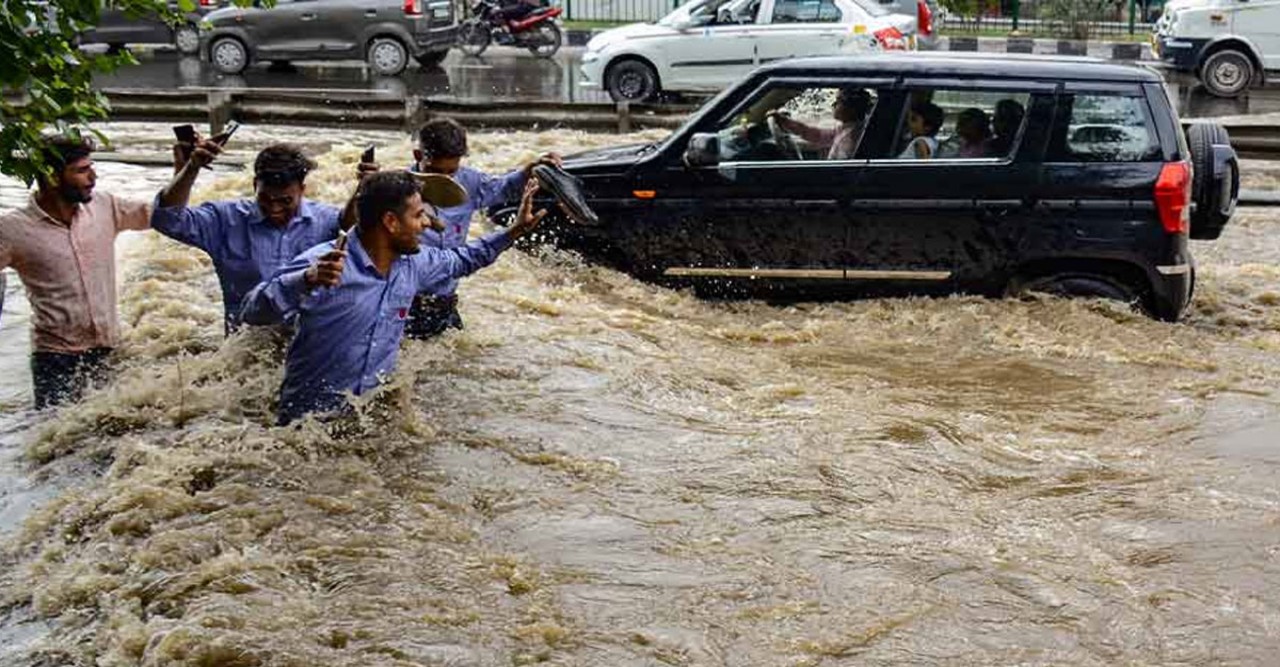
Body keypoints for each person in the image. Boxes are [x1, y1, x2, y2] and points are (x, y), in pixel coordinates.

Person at [240, 171, 548, 425]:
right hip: (305, 427)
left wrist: (514, 231)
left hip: (367, 421)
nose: (427, 224)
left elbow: (464, 259)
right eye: (418, 216)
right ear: (390, 222)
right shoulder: (325, 262)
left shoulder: (415, 264)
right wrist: (304, 281)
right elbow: (252, 311)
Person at [151, 139, 373, 332]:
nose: (275, 208)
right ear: (255, 185)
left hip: (307, 345)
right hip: (244, 347)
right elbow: (167, 220)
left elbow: (355, 232)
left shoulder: (325, 220)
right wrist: (191, 167)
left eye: (285, 201)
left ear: (302, 190)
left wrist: (365, 189)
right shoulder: (225, 221)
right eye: (266, 199)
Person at [0, 135, 151, 408]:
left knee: (112, 432)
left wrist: (189, 168)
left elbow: (164, 214)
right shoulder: (12, 229)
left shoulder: (105, 206)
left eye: (91, 167)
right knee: (59, 443)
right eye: (82, 170)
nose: (93, 177)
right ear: (51, 176)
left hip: (109, 349)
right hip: (55, 360)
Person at [405, 118, 558, 339]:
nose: (446, 181)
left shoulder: (469, 181)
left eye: (452, 173)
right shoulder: (397, 189)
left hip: (444, 301)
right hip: (405, 303)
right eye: (436, 172)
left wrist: (530, 171)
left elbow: (503, 188)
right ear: (419, 157)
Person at [771, 88, 874, 160]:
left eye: (839, 101)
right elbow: (816, 134)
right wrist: (785, 121)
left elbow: (842, 170)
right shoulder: (848, 128)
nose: (833, 104)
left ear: (851, 108)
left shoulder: (850, 139)